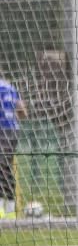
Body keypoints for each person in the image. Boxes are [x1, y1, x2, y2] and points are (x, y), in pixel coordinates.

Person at [0, 75, 27, 218]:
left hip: (2, 131)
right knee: (6, 167)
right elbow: (22, 112)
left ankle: (5, 208)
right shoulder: (10, 87)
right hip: (13, 131)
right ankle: (9, 209)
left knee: (2, 167)